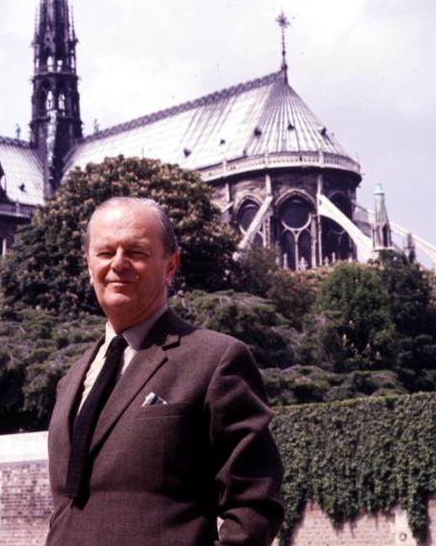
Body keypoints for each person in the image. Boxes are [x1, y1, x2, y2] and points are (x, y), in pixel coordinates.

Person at [46, 197, 284, 546]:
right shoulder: (73, 379)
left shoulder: (215, 359)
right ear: (88, 265)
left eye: (136, 252)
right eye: (105, 252)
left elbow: (255, 502)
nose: (118, 264)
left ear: (170, 266)